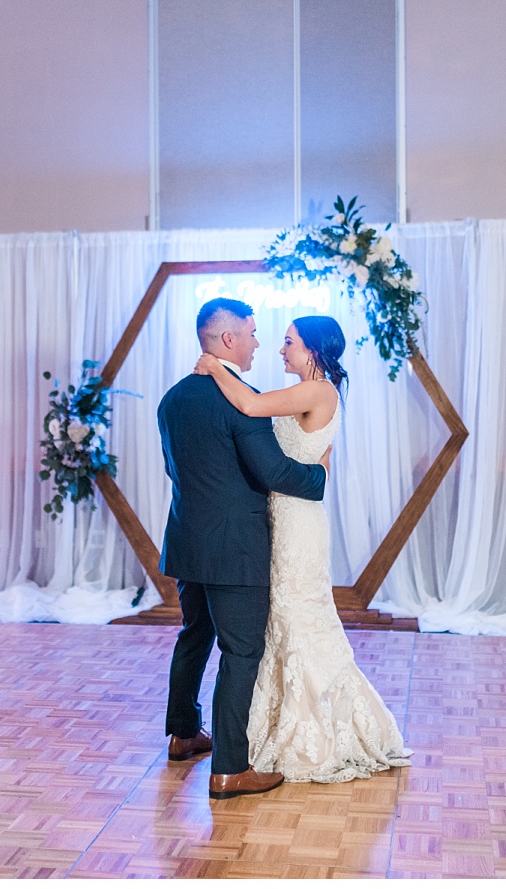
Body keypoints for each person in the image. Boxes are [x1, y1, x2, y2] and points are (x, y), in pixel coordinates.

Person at [194, 314, 412, 783]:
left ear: (312, 350)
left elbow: (250, 407)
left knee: (296, 614)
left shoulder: (319, 391)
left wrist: (215, 367)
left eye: (289, 342)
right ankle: (274, 724)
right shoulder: (307, 392)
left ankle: (318, 731)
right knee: (279, 619)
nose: (279, 349)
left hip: (300, 524)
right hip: (280, 516)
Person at [158, 298, 330, 800]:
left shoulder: (173, 398)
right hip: (235, 548)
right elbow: (273, 472)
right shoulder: (240, 399)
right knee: (242, 650)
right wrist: (318, 474)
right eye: (253, 333)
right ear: (229, 339)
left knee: (195, 634)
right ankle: (231, 766)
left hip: (188, 539)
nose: (259, 342)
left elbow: (177, 470)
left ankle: (184, 734)